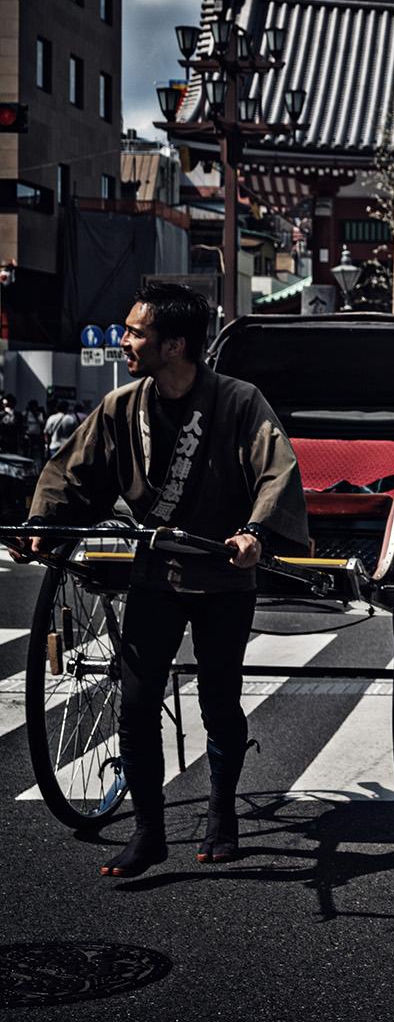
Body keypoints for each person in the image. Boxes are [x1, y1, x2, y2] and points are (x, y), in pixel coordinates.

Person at [9, 281, 307, 876]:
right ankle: (149, 831)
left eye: (134, 332)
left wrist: (256, 533)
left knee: (218, 701)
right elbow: (73, 473)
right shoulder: (123, 406)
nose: (123, 341)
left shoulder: (240, 401)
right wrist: (44, 522)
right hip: (157, 568)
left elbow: (277, 472)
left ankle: (222, 812)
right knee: (137, 702)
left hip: (223, 572)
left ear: (175, 345)